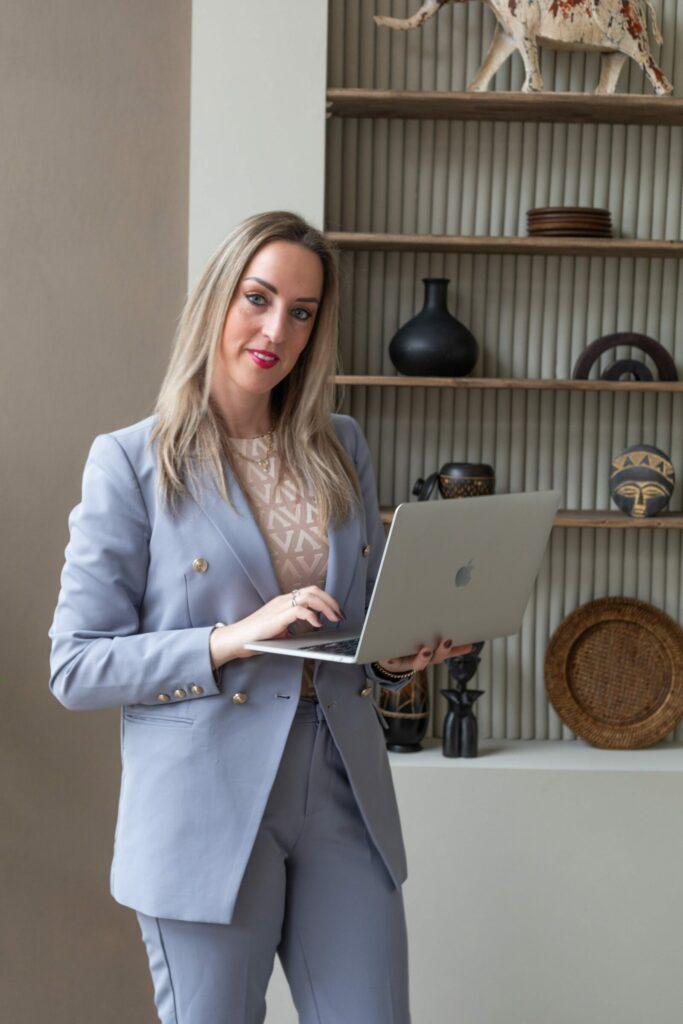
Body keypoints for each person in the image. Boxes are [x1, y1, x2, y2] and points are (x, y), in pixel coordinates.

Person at [48, 210, 473, 1024]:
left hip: (341, 783)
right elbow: (75, 666)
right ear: (217, 298)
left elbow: (351, 621)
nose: (277, 330)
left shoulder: (339, 446)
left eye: (302, 312)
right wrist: (229, 639)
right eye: (258, 298)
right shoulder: (131, 462)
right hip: (204, 804)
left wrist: (393, 658)